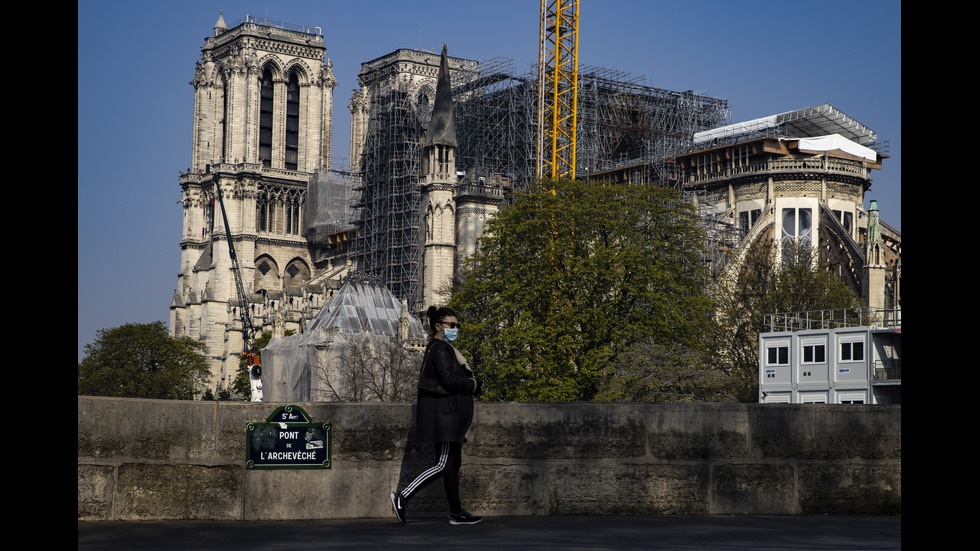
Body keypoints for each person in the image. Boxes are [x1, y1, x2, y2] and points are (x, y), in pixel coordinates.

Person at [390, 306, 483, 526]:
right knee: (443, 464)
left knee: (452, 466)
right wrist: (473, 385)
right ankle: (403, 496)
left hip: (449, 417)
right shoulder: (440, 350)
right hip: (447, 418)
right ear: (438, 327)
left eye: (457, 325)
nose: (455, 329)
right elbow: (449, 380)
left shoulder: (440, 348)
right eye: (452, 325)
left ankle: (456, 512)